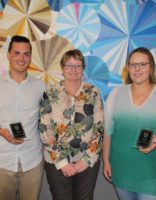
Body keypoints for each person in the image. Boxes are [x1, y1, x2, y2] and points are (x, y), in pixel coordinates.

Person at [103, 47, 156, 200]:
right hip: (122, 171)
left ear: (151, 68)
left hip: (154, 175)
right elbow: (108, 132)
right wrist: (106, 161)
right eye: (133, 64)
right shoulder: (116, 94)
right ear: (128, 68)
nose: (137, 69)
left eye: (143, 64)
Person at [0, 35, 45, 200]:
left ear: (30, 57)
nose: (22, 58)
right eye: (17, 53)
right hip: (2, 162)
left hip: (32, 162)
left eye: (26, 54)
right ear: (8, 55)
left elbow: (49, 119)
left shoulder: (41, 86)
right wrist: (1, 132)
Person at [39, 49, 104, 200]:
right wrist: (62, 163)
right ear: (62, 68)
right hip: (56, 162)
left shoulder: (93, 92)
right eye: (69, 65)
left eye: (78, 65)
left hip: (87, 162)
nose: (73, 69)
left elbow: (99, 128)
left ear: (83, 69)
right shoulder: (50, 92)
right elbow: (44, 129)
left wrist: (86, 160)